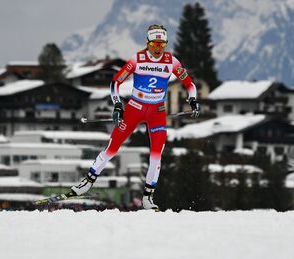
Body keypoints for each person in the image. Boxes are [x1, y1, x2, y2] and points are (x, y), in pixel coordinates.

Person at [70, 24, 200, 210]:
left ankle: (147, 198)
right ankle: (88, 181)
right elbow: (116, 82)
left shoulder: (172, 62)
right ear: (148, 43)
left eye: (162, 44)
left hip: (157, 112)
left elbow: (190, 84)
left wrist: (193, 100)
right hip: (134, 108)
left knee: (156, 155)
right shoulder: (137, 59)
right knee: (112, 147)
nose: (158, 48)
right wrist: (117, 105)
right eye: (155, 44)